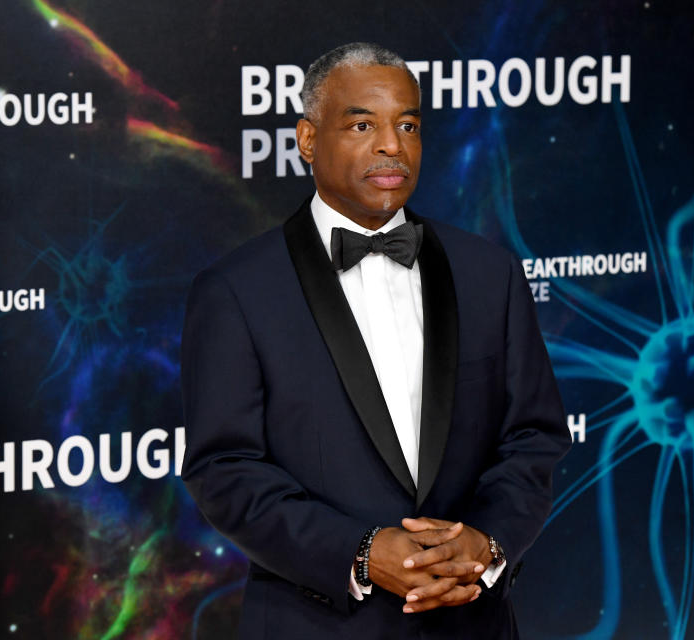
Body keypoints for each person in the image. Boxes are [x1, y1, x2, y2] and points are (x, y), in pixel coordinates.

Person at [181, 42, 571, 639]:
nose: (392, 145)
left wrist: (486, 544)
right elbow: (225, 469)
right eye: (362, 124)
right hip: (317, 625)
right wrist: (359, 553)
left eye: (407, 124)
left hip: (470, 623)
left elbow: (533, 437)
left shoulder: (490, 273)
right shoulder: (235, 291)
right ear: (307, 140)